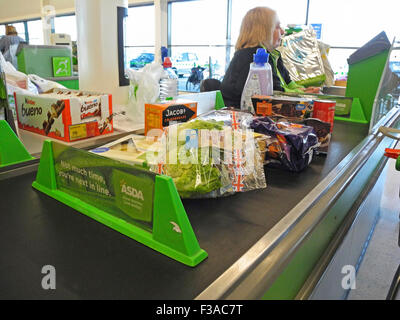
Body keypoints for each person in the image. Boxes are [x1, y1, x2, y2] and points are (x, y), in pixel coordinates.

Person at [221, 7, 319, 109]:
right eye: (277, 27)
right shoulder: (251, 57)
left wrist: (305, 91)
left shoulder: (274, 55)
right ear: (263, 31)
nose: (282, 31)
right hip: (240, 117)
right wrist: (302, 94)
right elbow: (275, 94)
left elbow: (289, 84)